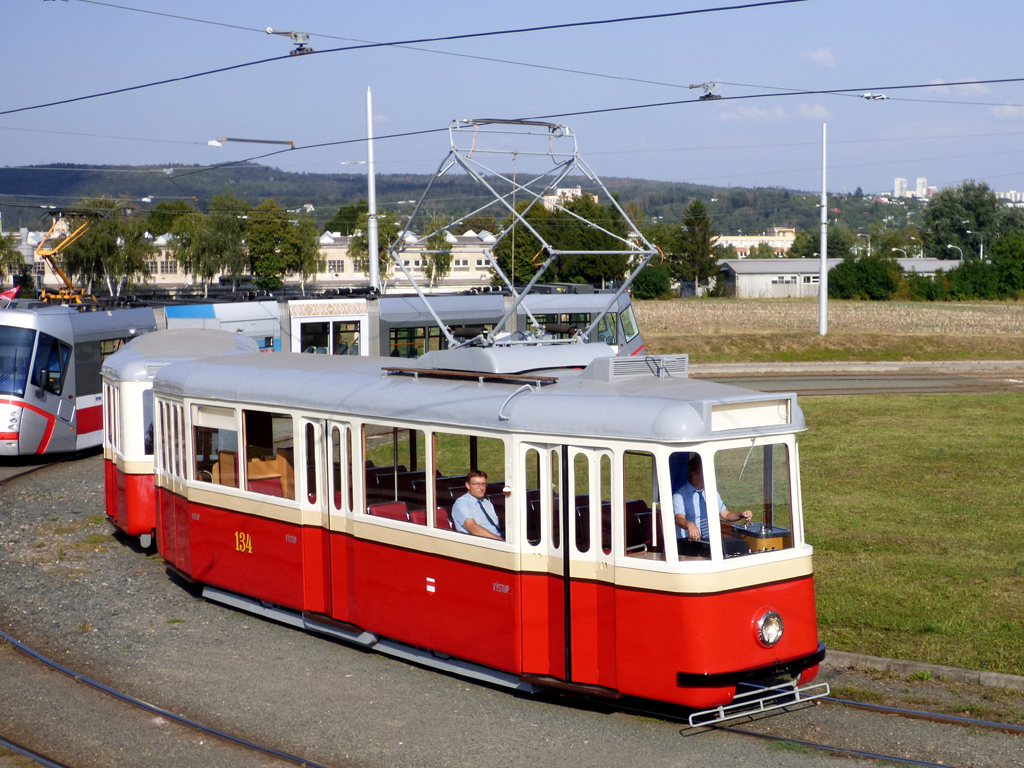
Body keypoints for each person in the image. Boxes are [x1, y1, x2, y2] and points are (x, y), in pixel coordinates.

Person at [673, 455, 751, 557]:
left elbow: (726, 514)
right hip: (687, 541)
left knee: (742, 545)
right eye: (705, 472)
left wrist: (741, 514)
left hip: (709, 539)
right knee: (715, 550)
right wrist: (690, 525)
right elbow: (679, 519)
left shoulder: (711, 491)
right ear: (695, 475)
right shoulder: (680, 495)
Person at [452, 469, 504, 540]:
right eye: (477, 484)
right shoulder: (462, 503)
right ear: (468, 485)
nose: (481, 488)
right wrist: (500, 540)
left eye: (484, 484)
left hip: (498, 538)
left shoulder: (486, 502)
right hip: (480, 542)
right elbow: (474, 529)